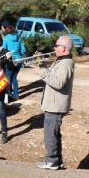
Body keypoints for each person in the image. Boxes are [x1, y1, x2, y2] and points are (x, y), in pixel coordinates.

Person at [33, 35, 75, 170]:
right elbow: (52, 75)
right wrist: (41, 63)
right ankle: (57, 160)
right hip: (53, 103)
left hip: (56, 106)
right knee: (54, 133)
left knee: (50, 133)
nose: (54, 48)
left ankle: (51, 161)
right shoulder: (60, 61)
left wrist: (41, 73)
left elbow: (58, 83)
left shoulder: (66, 63)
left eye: (56, 46)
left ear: (63, 48)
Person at [2, 25, 27, 100]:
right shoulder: (19, 38)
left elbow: (4, 49)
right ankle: (16, 96)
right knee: (14, 78)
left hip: (10, 60)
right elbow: (23, 50)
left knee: (8, 78)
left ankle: (9, 95)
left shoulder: (6, 38)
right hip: (18, 60)